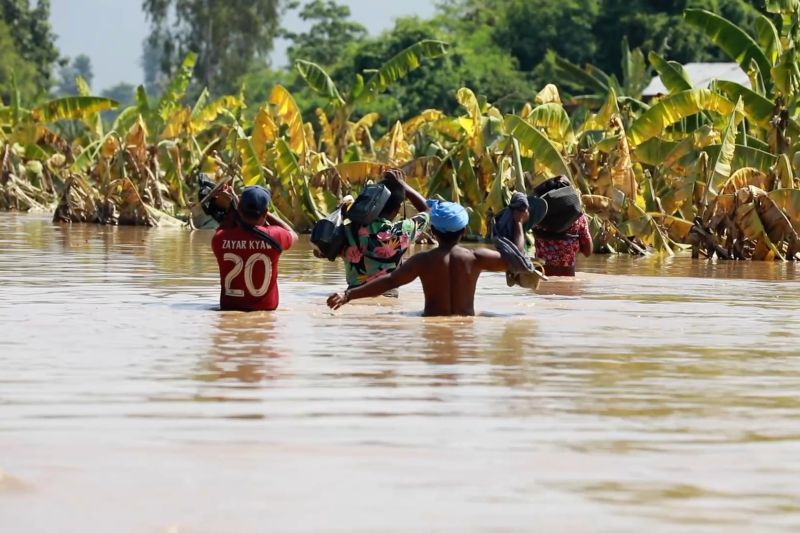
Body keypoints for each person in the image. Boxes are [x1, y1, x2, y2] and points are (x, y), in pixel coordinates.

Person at [327, 200, 510, 317]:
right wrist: (517, 222)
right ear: (463, 231)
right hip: (466, 326)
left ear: (433, 231)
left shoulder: (423, 261)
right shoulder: (477, 258)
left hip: (431, 322)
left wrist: (348, 295)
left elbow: (389, 281)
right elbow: (517, 261)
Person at [211, 186, 297, 311]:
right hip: (266, 314)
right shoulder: (276, 236)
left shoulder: (219, 238)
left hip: (229, 309)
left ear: (240, 209)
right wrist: (268, 215)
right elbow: (293, 235)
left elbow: (226, 227)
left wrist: (232, 208)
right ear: (264, 212)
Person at [342, 169, 431, 289]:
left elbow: (320, 251)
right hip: (387, 295)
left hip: (351, 295)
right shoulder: (401, 231)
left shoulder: (348, 228)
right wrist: (402, 184)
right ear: (397, 208)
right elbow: (429, 210)